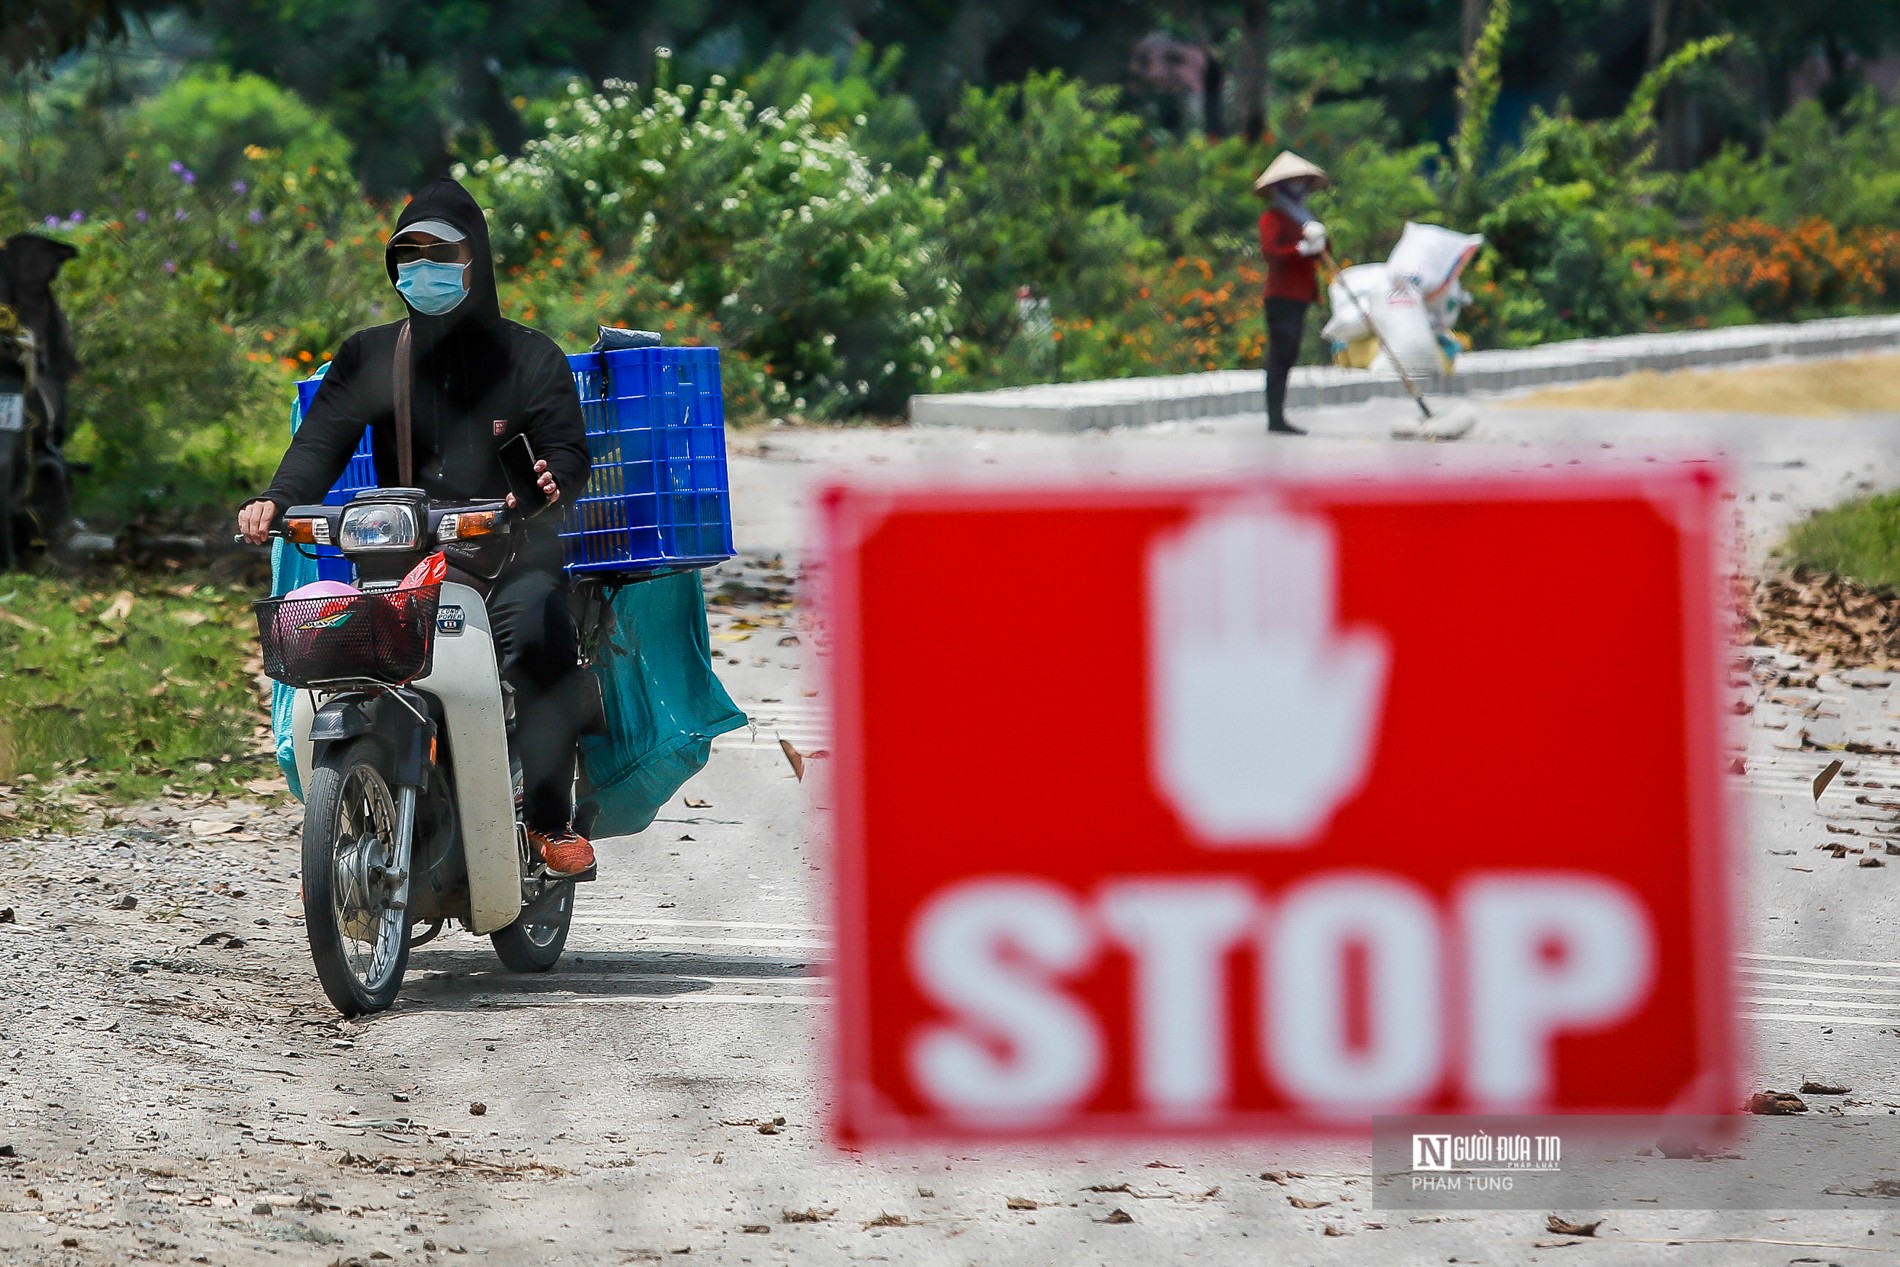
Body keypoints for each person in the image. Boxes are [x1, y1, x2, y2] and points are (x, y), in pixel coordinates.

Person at [237, 178, 598, 877]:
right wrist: (277, 501)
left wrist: (554, 476)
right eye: (410, 253)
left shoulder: (529, 357)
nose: (423, 268)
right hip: (403, 560)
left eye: (442, 252)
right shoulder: (371, 356)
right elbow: (321, 441)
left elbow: (567, 449)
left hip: (508, 556)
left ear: (476, 260)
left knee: (540, 638)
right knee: (338, 652)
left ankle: (550, 819)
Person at [1253, 151, 1330, 436]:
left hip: (1301, 294)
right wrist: (1300, 249)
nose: (1298, 185)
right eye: (1293, 181)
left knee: (1290, 352)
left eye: (1301, 180)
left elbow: (1322, 253)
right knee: (1280, 354)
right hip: (1281, 295)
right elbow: (1272, 253)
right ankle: (1275, 417)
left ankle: (1279, 415)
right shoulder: (1272, 217)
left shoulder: (1304, 217)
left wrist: (1320, 242)